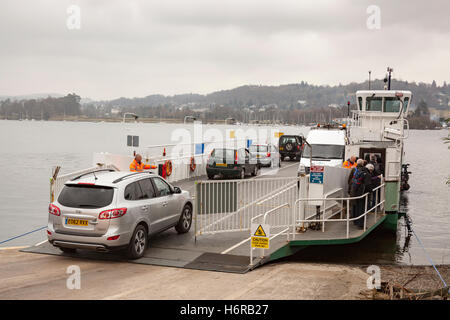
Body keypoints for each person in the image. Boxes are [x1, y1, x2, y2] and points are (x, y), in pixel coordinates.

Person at [349, 159, 371, 229]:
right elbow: (368, 185)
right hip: (361, 193)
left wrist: (350, 190)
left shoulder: (357, 171)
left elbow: (350, 180)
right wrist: (371, 190)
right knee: (361, 209)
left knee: (356, 206)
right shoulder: (366, 173)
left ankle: (356, 221)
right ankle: (360, 225)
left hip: (355, 191)